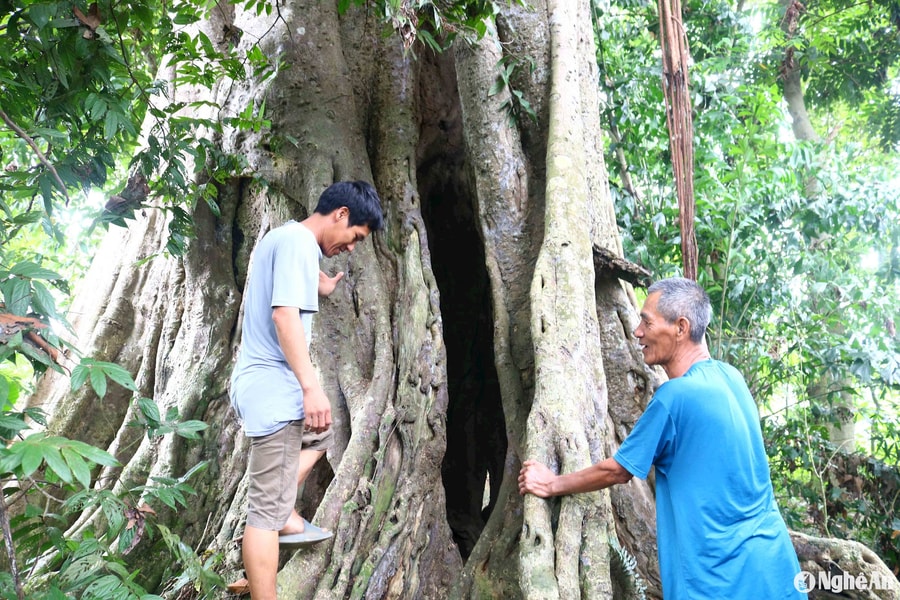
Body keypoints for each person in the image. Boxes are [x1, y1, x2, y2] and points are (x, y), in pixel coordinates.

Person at [518, 277, 803, 599]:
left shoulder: (675, 396)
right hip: (775, 567)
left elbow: (618, 470)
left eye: (647, 322)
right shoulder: (731, 377)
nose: (637, 331)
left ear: (681, 328)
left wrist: (551, 484)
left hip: (717, 577)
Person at [229, 180, 384, 600]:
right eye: (355, 237)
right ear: (342, 215)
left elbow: (287, 279)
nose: (352, 247)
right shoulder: (298, 244)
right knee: (262, 514)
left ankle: (284, 512)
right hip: (274, 389)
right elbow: (284, 316)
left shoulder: (285, 238)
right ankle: (269, 570)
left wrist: (320, 285)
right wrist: (310, 387)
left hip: (256, 384)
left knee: (321, 434)